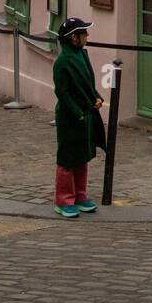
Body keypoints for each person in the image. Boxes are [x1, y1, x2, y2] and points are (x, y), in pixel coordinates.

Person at [53, 17, 105, 218]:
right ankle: (64, 199)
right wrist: (77, 113)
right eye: (84, 33)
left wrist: (97, 97)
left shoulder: (82, 56)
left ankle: (80, 196)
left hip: (85, 113)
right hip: (70, 116)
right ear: (73, 37)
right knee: (67, 158)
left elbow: (88, 84)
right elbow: (62, 92)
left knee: (82, 155)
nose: (87, 36)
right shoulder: (62, 62)